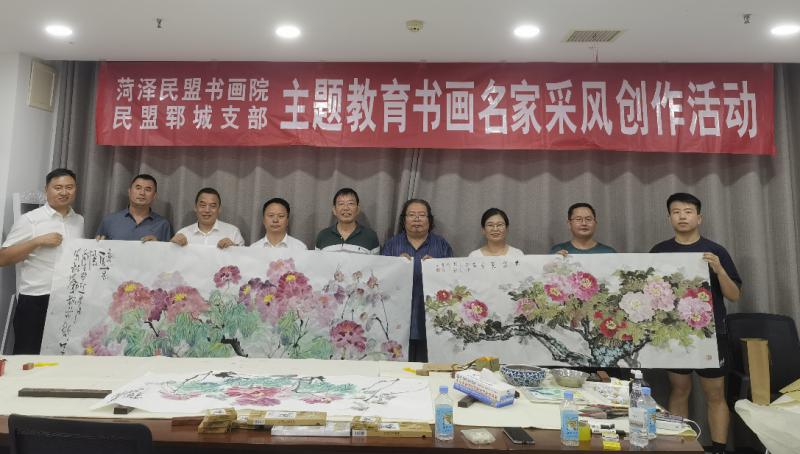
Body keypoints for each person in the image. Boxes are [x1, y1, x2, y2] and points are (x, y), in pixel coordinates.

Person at [650, 192, 742, 454]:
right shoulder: (659, 251)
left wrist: (719, 270)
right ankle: (678, 447)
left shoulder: (715, 251)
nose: (682, 216)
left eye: (688, 211)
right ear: (669, 218)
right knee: (679, 390)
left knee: (715, 394)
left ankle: (719, 449)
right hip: (674, 332)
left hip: (711, 333)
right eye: (676, 212)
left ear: (699, 218)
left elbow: (734, 295)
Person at [0, 168, 84, 353]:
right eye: (58, 187)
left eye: (69, 187)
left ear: (76, 189)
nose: (64, 192)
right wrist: (37, 241)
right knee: (27, 354)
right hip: (35, 298)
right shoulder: (30, 220)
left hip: (66, 298)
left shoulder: (78, 220)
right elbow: (3, 258)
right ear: (46, 190)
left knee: (60, 354)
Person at [382, 199, 453, 362]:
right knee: (398, 368)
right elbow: (382, 281)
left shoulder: (442, 245)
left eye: (421, 215)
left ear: (429, 220)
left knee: (426, 367)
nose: (416, 219)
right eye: (412, 215)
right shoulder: (392, 245)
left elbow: (451, 281)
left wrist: (437, 268)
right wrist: (395, 265)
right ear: (404, 220)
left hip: (432, 317)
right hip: (397, 317)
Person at [95, 174, 172, 242]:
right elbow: (97, 251)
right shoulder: (109, 221)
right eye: (138, 188)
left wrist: (158, 246)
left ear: (154, 195)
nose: (142, 193)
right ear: (129, 191)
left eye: (147, 190)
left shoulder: (163, 224)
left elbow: (169, 253)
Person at [171, 188, 244, 249]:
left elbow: (243, 259)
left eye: (212, 206)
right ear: (195, 207)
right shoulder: (183, 233)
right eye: (203, 205)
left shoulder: (233, 233)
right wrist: (171, 246)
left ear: (219, 209)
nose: (207, 210)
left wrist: (234, 249)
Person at [315, 187, 379, 254]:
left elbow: (376, 261)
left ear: (358, 209)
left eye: (350, 203)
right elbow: (317, 260)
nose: (346, 208)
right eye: (341, 204)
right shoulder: (323, 236)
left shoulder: (371, 236)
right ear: (334, 210)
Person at [549, 202, 616, 255]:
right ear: (569, 224)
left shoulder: (609, 252)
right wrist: (555, 261)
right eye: (578, 219)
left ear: (595, 223)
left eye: (588, 219)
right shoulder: (557, 251)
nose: (584, 223)